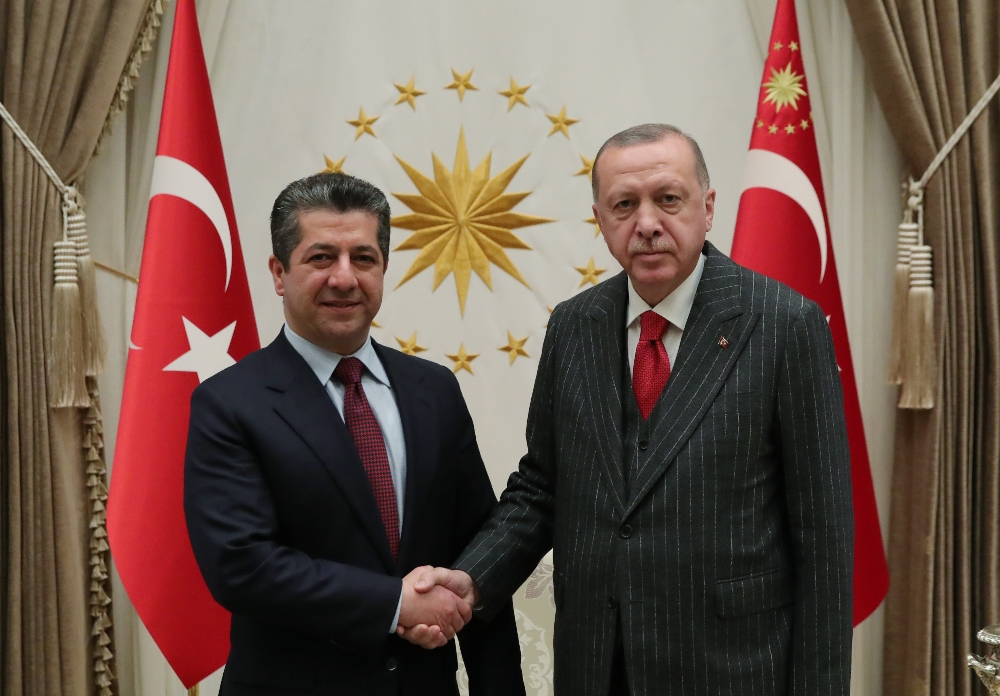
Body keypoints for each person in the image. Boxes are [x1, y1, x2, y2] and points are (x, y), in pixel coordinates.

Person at [402, 124, 854, 696]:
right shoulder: (574, 325)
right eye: (624, 205)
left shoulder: (785, 324)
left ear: (708, 207)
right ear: (600, 219)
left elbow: (823, 539)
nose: (647, 223)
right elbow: (542, 488)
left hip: (732, 669)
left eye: (668, 199)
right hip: (597, 665)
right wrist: (471, 580)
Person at [184, 172, 525, 696]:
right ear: (279, 273)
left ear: (383, 268)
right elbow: (241, 565)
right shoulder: (230, 402)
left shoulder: (434, 390)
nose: (344, 278)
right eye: (321, 258)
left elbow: (477, 557)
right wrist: (396, 605)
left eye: (363, 258)